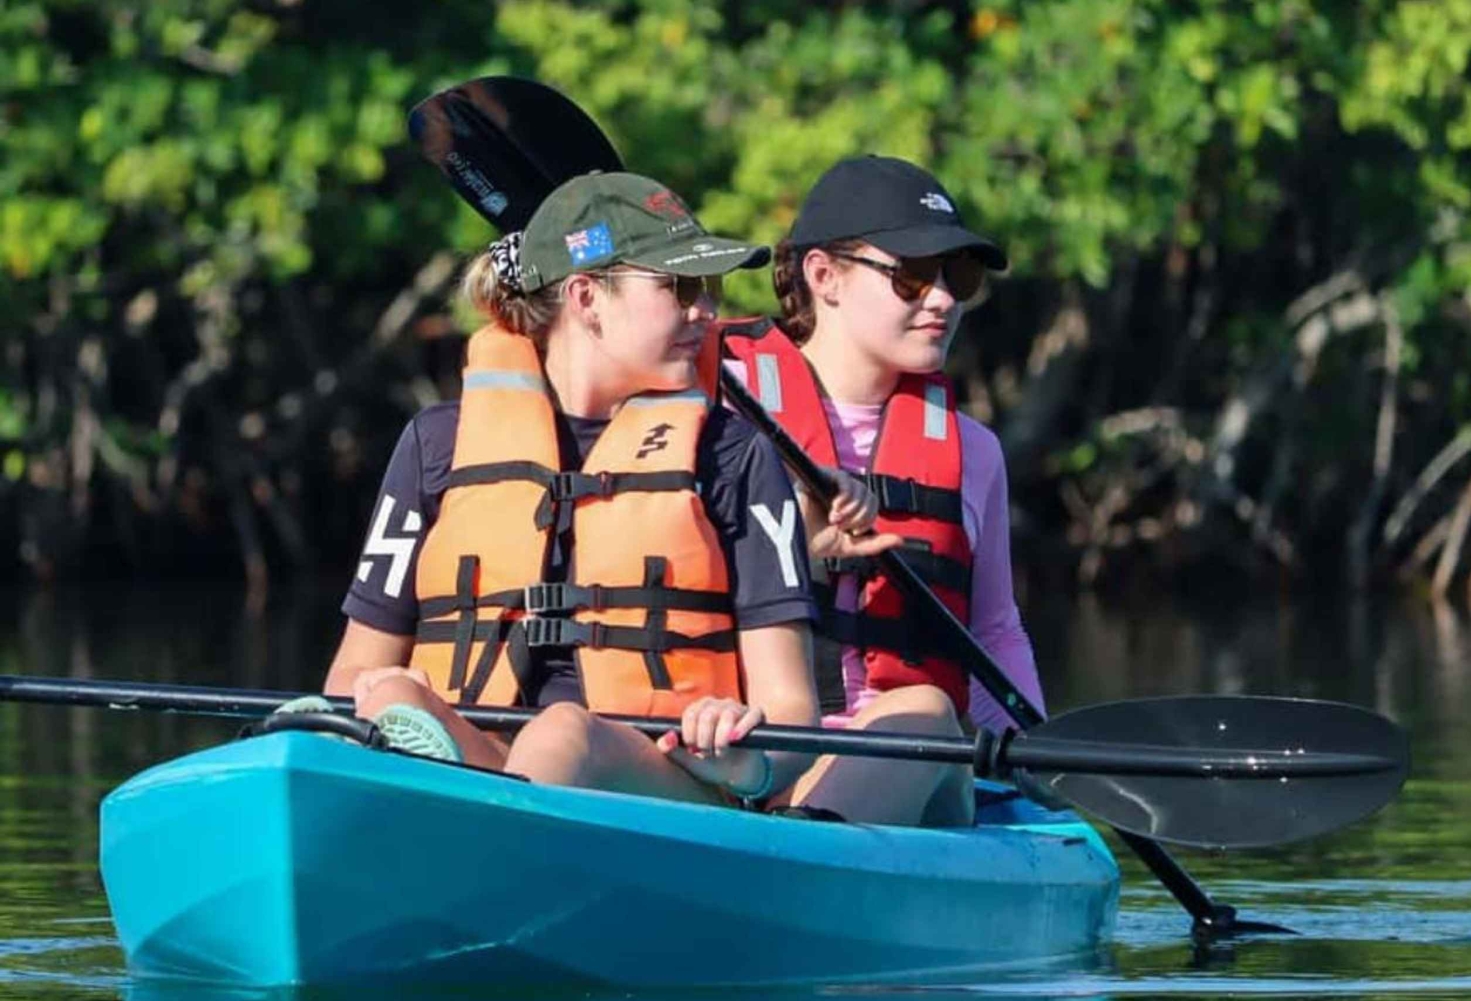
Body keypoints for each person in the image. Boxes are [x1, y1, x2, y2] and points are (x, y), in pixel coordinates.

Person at [320, 171, 886, 808]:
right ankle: (446, 816)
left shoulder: (733, 455)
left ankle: (458, 835)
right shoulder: (435, 444)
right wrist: (368, 699)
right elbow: (351, 671)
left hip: (662, 788)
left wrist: (742, 760)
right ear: (586, 298)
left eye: (710, 288)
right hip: (483, 765)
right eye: (680, 287)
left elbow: (790, 711)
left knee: (564, 734)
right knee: (388, 696)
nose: (706, 311)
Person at [719, 155, 1043, 826]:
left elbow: (993, 630)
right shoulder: (722, 413)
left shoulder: (973, 453)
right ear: (823, 276)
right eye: (913, 275)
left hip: (918, 768)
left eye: (959, 277)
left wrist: (1038, 758)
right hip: (748, 757)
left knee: (922, 710)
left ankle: (807, 859)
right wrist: (801, 554)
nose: (944, 299)